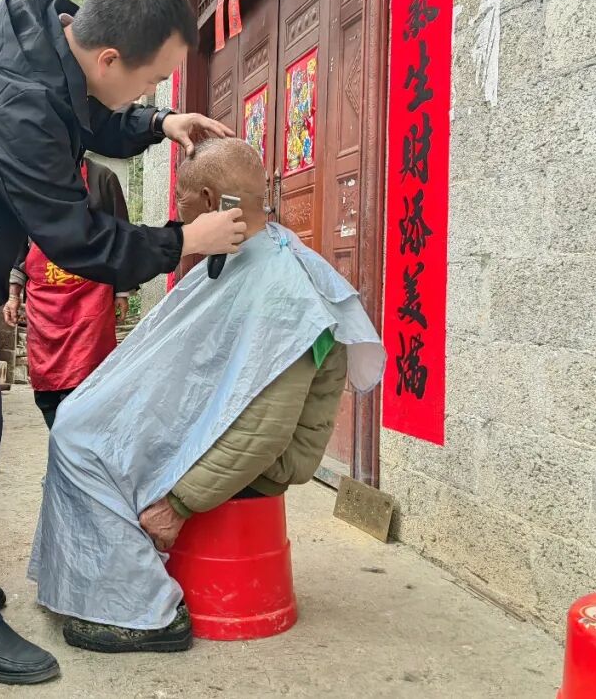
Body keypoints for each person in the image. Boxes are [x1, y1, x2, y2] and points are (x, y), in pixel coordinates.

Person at [0, 0, 247, 685]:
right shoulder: (14, 100)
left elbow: (95, 113)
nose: (148, 92)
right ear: (109, 56)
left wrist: (159, 124)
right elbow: (77, 239)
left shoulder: (52, 47)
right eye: (150, 81)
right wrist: (183, 240)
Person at [28, 138, 386, 654]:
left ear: (212, 201)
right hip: (229, 421)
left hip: (270, 453)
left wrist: (178, 503)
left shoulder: (286, 290)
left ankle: (150, 611)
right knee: (81, 421)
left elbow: (265, 432)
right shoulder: (243, 254)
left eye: (182, 197)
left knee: (87, 445)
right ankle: (93, 580)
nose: (177, 211)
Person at [3, 155, 133, 429]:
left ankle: (78, 443)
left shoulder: (102, 179)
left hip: (91, 300)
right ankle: (61, 438)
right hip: (45, 304)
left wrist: (122, 290)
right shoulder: (29, 178)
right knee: (46, 388)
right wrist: (14, 294)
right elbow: (18, 242)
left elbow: (122, 236)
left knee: (89, 381)